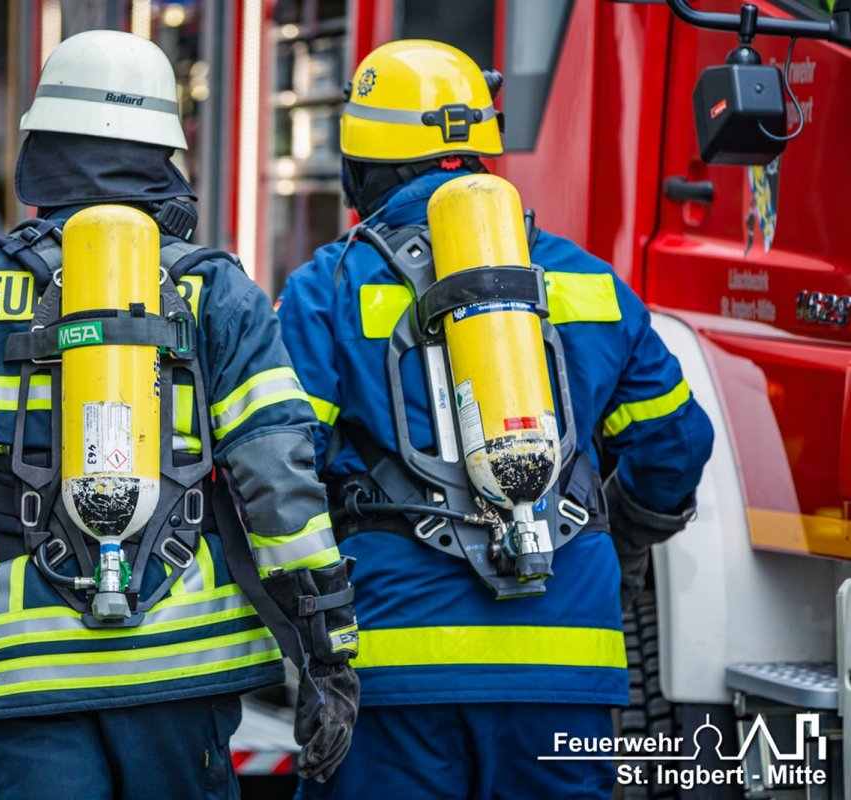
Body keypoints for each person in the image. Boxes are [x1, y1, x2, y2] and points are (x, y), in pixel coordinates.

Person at [0, 29, 359, 799]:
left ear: (40, 150)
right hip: (187, 672)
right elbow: (278, 482)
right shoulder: (215, 292)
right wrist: (325, 651)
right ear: (161, 152)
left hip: (25, 676)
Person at [276, 40, 715, 799]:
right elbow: (676, 447)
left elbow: (281, 462)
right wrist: (619, 535)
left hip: (400, 660)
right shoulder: (589, 283)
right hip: (566, 660)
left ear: (362, 164)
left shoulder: (328, 287)